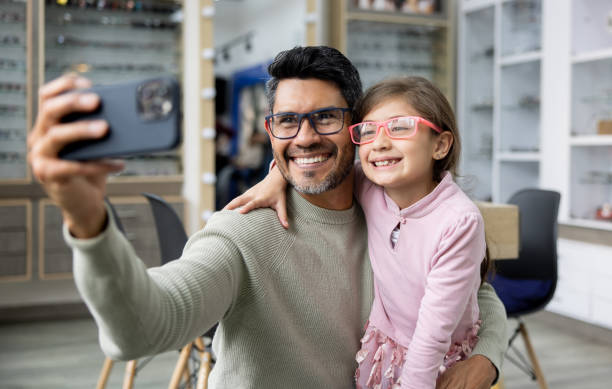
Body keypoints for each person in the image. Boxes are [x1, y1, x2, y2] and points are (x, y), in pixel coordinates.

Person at [27, 46, 506, 389]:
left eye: (326, 118)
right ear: (271, 130)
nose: (304, 137)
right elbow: (141, 330)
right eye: (286, 121)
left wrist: (487, 356)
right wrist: (87, 219)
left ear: (354, 131)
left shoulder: (384, 200)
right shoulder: (243, 231)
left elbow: (476, 291)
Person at [227, 75, 490, 388]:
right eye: (367, 131)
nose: (379, 143)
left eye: (400, 126)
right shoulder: (371, 185)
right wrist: (276, 177)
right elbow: (315, 165)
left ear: (440, 144)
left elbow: (433, 334)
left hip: (436, 361)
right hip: (385, 350)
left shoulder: (459, 221)